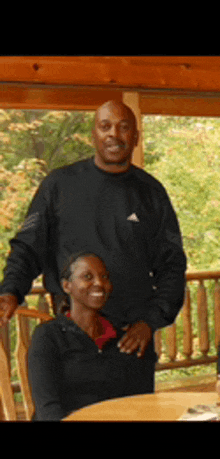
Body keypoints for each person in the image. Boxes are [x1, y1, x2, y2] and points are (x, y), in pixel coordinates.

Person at [0, 100, 186, 360]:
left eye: (123, 127)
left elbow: (172, 266)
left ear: (136, 137)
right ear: (93, 135)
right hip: (70, 337)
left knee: (134, 404)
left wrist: (150, 321)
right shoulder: (58, 185)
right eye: (105, 126)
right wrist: (10, 290)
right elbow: (28, 247)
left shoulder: (151, 193)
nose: (113, 134)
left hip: (132, 339)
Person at [28, 252, 157, 420]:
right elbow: (47, 409)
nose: (99, 283)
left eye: (104, 277)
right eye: (87, 276)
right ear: (67, 286)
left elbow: (141, 403)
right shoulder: (49, 336)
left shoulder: (124, 339)